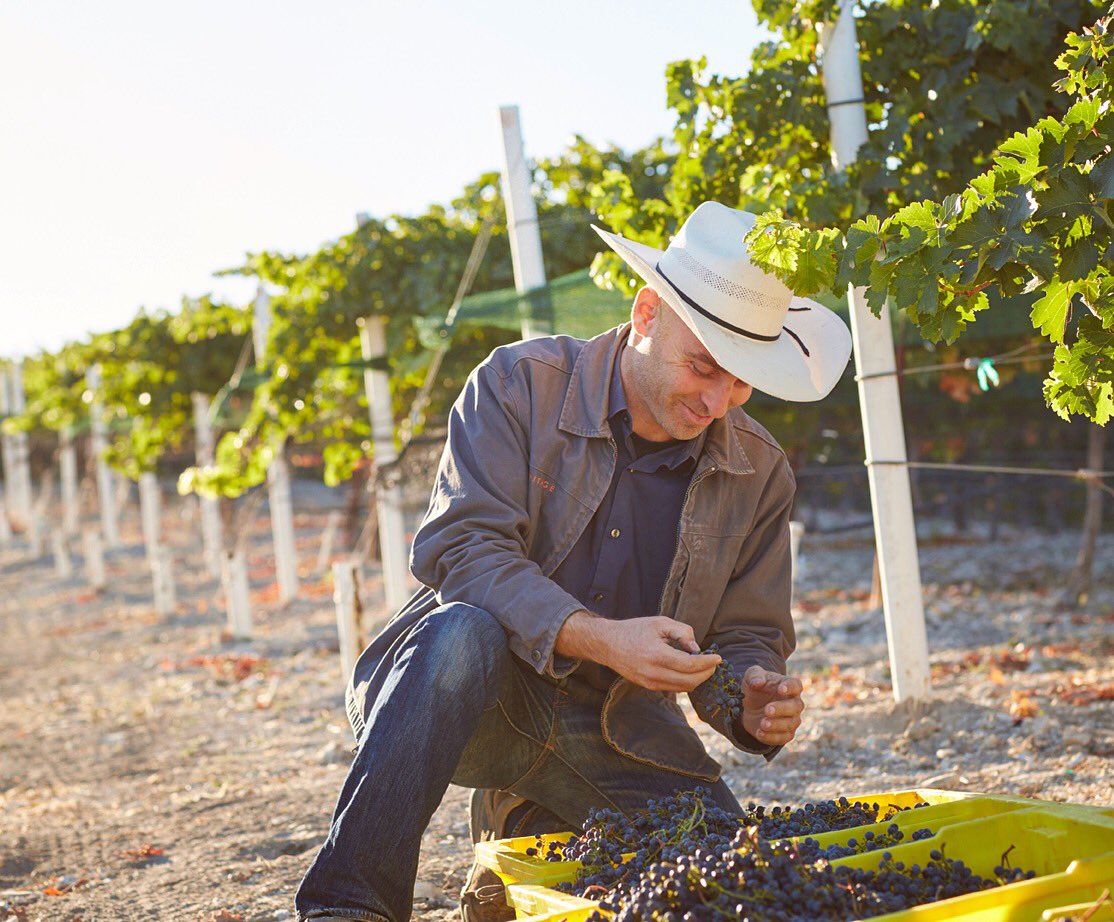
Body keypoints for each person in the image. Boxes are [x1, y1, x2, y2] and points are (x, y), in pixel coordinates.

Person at [294, 201, 853, 922]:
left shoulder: (761, 470)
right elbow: (460, 548)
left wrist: (745, 697)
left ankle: (517, 839)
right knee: (464, 631)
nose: (719, 401)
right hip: (465, 697)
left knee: (726, 875)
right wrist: (600, 636)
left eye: (742, 381)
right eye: (704, 367)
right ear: (647, 313)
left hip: (618, 723)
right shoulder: (517, 384)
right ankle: (348, 906)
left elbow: (746, 632)